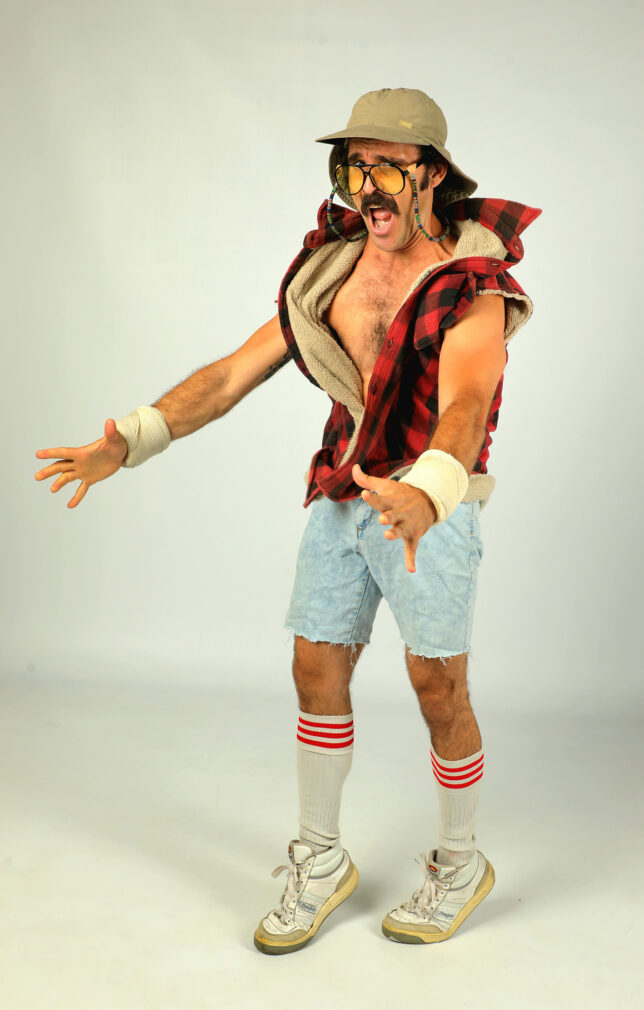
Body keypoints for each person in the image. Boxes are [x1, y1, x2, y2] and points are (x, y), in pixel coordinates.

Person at [35, 88, 542, 955]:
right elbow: (231, 374)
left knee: (438, 689)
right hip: (344, 493)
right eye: (356, 165)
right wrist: (135, 437)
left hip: (434, 503)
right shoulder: (330, 273)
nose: (368, 185)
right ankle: (320, 859)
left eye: (389, 166)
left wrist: (429, 492)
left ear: (433, 177)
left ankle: (461, 862)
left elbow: (465, 404)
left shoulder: (474, 287)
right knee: (314, 669)